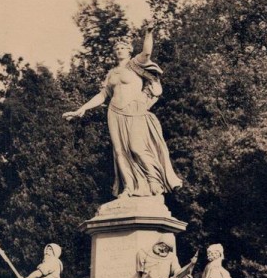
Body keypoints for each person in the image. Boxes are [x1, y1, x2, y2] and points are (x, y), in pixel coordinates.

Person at [63, 24, 182, 198]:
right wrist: (82, 109)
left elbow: (147, 52)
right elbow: (103, 94)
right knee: (119, 151)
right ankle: (129, 187)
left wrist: (148, 33)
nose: (119, 50)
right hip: (114, 112)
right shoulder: (111, 73)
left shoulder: (135, 64)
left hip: (135, 110)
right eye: (117, 48)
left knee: (136, 147)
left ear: (129, 50)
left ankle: (154, 181)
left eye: (122, 48)